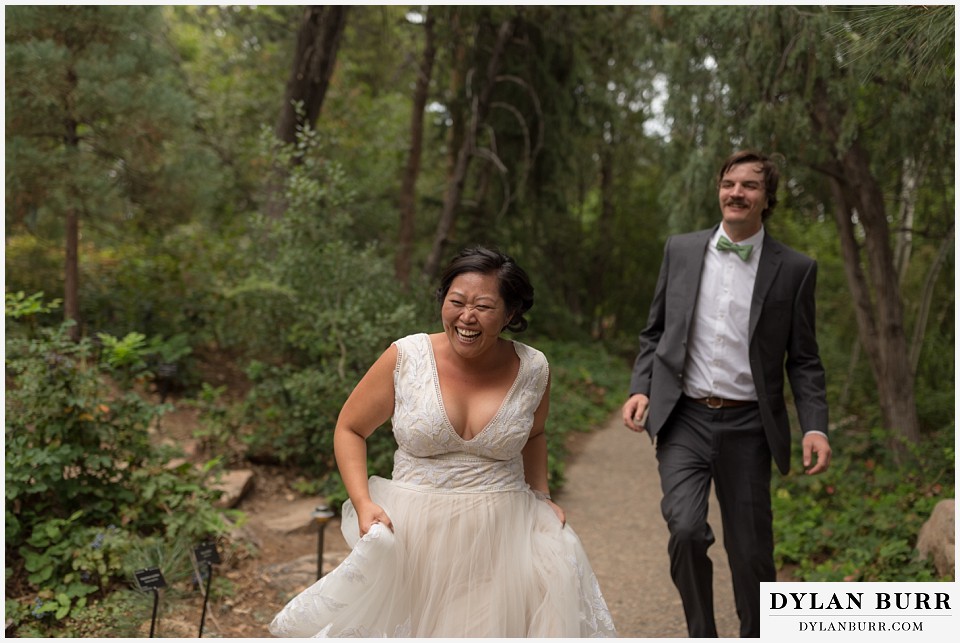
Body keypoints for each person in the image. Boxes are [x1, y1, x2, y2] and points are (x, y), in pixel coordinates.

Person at [271, 246, 616, 638]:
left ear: (511, 314)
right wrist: (364, 504)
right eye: (457, 302)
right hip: (414, 535)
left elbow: (534, 434)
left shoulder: (534, 368)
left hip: (502, 536)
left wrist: (542, 495)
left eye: (484, 306)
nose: (467, 317)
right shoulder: (406, 357)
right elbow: (350, 429)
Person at [621, 150, 832, 638]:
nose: (737, 192)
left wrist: (815, 425)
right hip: (685, 418)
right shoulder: (681, 249)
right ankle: (702, 633)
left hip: (750, 428)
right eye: (729, 183)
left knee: (753, 553)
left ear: (766, 199)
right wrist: (641, 387)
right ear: (720, 189)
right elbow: (655, 332)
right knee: (687, 531)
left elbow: (803, 359)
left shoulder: (796, 269)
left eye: (750, 185)